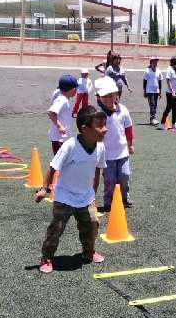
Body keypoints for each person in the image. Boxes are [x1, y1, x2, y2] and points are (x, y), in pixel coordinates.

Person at [33, 105, 108, 273]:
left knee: (92, 223)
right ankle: (46, 257)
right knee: (57, 227)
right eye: (100, 126)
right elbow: (53, 167)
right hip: (65, 196)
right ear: (85, 129)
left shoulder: (100, 147)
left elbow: (97, 170)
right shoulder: (70, 146)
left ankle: (88, 252)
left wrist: (93, 192)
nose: (105, 129)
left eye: (105, 125)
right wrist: (45, 189)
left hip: (85, 196)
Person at [95, 77, 134, 210]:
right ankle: (108, 200)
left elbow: (128, 128)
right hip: (106, 155)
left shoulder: (123, 110)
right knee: (110, 180)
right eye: (104, 96)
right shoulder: (97, 113)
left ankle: (124, 196)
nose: (108, 99)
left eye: (111, 95)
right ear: (98, 97)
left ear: (116, 95)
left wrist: (130, 144)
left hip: (122, 151)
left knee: (124, 175)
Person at [48, 74, 77, 154]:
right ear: (73, 90)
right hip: (59, 138)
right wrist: (60, 126)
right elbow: (50, 113)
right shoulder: (62, 100)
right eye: (76, 89)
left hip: (62, 137)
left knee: (63, 161)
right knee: (60, 162)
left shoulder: (64, 99)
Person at [161, 56, 176, 129]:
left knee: (175, 108)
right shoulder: (169, 69)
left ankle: (174, 124)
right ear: (175, 62)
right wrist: (172, 91)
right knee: (168, 108)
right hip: (170, 93)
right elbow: (168, 81)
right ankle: (162, 124)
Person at [143, 56, 163, 125]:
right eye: (154, 62)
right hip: (149, 91)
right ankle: (152, 119)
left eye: (156, 62)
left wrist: (160, 91)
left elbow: (160, 82)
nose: (155, 63)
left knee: (155, 105)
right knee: (152, 104)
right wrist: (144, 91)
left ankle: (153, 118)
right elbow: (144, 82)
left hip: (156, 91)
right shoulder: (147, 71)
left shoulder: (159, 71)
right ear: (151, 62)